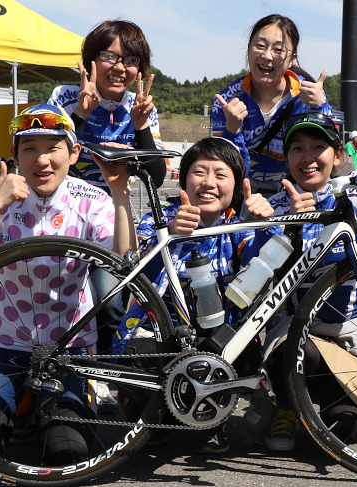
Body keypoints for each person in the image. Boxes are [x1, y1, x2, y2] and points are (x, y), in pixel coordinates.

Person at [0, 104, 138, 472]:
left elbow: (125, 265)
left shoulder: (91, 198)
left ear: (74, 152)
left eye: (53, 147)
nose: (42, 160)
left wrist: (120, 196)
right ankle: (20, 406)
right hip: (6, 343)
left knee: (67, 454)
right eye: (29, 148)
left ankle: (35, 408)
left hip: (70, 348)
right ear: (16, 155)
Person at [111, 136, 277, 454]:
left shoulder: (239, 226)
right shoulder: (160, 220)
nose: (208, 183)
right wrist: (169, 233)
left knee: (246, 352)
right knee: (139, 360)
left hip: (216, 338)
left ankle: (211, 417)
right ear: (184, 178)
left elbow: (263, 270)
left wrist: (265, 226)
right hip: (159, 333)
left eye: (220, 174)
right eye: (199, 172)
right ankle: (142, 409)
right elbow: (134, 274)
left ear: (238, 185)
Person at [262, 112, 357, 452]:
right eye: (297, 148)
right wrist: (287, 224)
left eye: (318, 147)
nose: (307, 157)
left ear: (337, 156)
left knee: (344, 431)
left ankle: (314, 408)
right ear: (286, 156)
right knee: (298, 346)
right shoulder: (271, 207)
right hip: (296, 336)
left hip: (349, 334)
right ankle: (286, 406)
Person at [48, 19, 162, 354]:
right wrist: (79, 117)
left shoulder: (140, 106)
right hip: (63, 217)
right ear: (91, 61)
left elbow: (155, 177)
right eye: (109, 56)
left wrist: (140, 127)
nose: (120, 67)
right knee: (56, 301)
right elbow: (46, 160)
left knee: (111, 302)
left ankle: (106, 374)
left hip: (113, 223)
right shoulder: (65, 96)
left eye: (130, 60)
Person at [211, 14, 332, 198]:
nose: (267, 56)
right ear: (249, 50)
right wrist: (231, 131)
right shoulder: (227, 101)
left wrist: (321, 108)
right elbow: (223, 171)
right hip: (242, 197)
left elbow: (330, 158)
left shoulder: (308, 97)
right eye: (260, 46)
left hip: (296, 195)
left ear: (292, 59)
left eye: (278, 50)